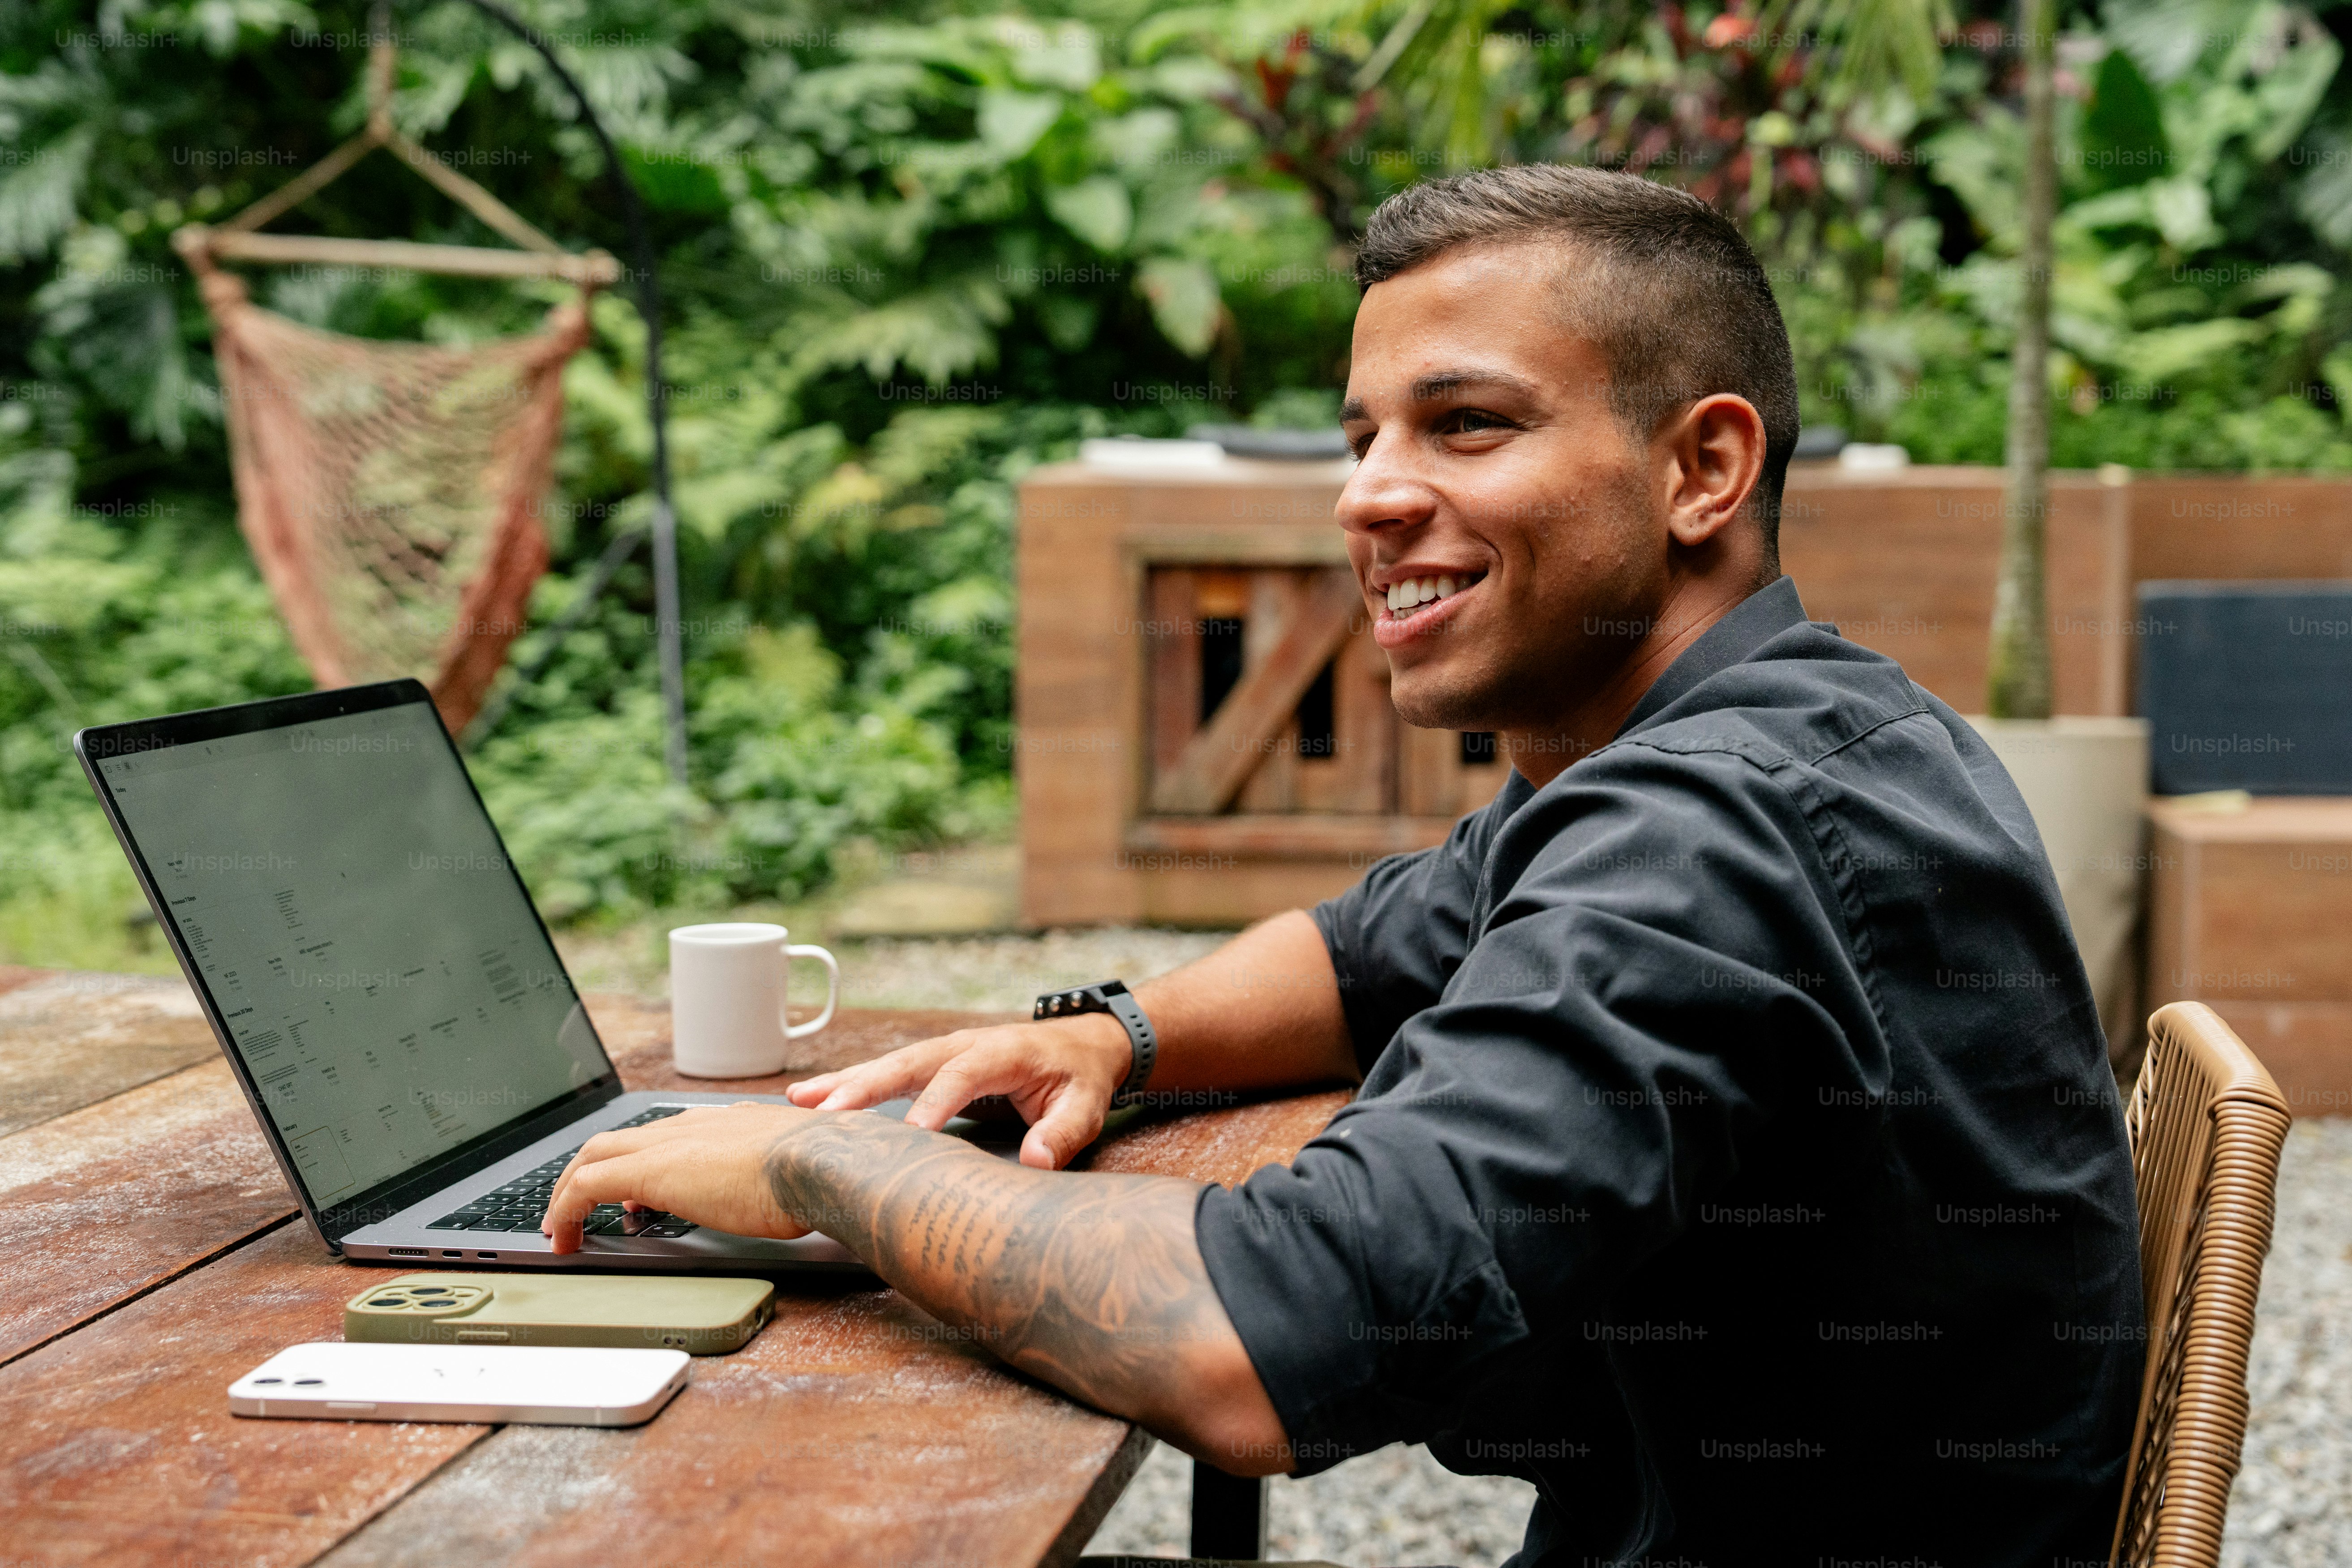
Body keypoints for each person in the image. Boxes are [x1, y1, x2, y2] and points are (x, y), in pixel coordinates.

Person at [544, 164, 2142, 1567]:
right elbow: (1381, 939)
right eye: (1362, 433)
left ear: (1701, 471)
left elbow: (1260, 1344)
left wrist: (821, 1167)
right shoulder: (1788, 725)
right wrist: (1114, 1036)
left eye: (1466, 424)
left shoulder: (1708, 831)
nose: (1367, 493)